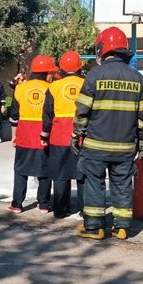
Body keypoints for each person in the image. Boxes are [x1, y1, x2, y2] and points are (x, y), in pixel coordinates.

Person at [73, 27, 143, 240]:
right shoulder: (138, 78)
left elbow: (82, 110)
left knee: (94, 184)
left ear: (102, 48)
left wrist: (77, 134)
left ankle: (95, 228)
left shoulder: (94, 75)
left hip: (96, 146)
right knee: (122, 185)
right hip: (125, 147)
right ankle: (122, 227)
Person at [7, 55, 57, 214]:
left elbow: (14, 116)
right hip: (44, 134)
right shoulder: (51, 88)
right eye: (51, 72)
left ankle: (17, 204)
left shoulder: (20, 88)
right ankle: (43, 204)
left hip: (24, 134)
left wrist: (13, 136)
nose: (52, 75)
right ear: (46, 72)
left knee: (21, 170)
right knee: (45, 170)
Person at [41, 51, 85, 218]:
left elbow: (47, 115)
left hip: (59, 137)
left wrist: (44, 135)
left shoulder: (54, 87)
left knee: (60, 174)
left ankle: (60, 210)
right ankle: (85, 210)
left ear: (62, 68)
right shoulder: (87, 83)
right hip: (81, 137)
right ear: (79, 67)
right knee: (82, 175)